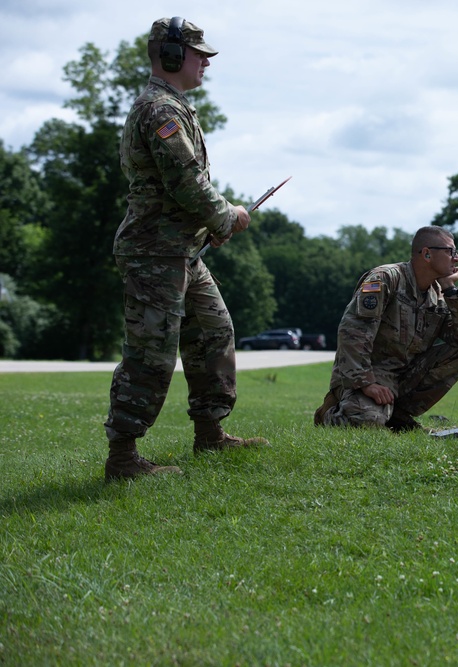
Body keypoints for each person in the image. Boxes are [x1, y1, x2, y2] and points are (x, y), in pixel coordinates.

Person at [104, 17, 267, 482]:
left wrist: (208, 226)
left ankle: (210, 434)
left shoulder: (173, 106)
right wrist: (227, 216)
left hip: (181, 253)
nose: (206, 63)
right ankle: (122, 457)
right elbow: (187, 184)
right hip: (155, 255)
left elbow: (185, 191)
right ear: (172, 56)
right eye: (200, 54)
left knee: (213, 334)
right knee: (151, 353)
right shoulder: (160, 110)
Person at [314, 226, 458, 431]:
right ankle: (329, 413)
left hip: (406, 375)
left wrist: (452, 291)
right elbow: (353, 332)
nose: (456, 259)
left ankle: (398, 415)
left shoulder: (439, 295)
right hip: (370, 374)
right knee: (365, 422)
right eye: (450, 252)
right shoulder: (385, 279)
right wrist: (366, 383)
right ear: (427, 254)